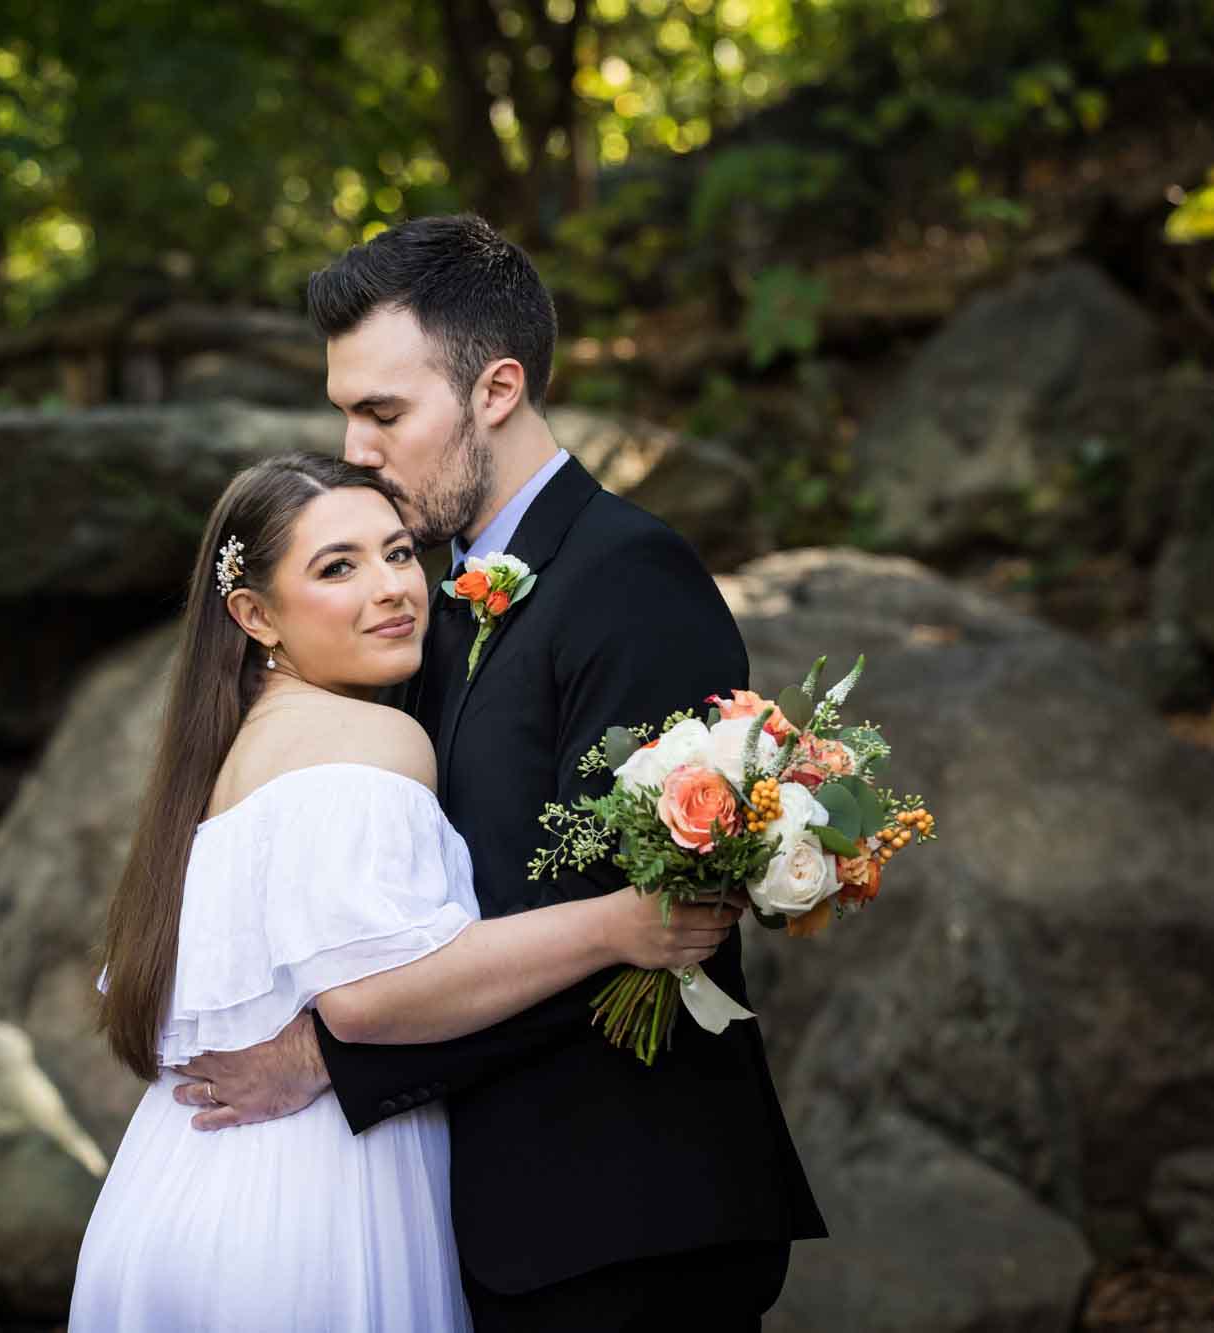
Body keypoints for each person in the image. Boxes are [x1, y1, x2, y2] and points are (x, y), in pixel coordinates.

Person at [168, 215, 826, 1331]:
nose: (356, 447)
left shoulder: (630, 578)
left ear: (496, 388)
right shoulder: (434, 600)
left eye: (382, 411)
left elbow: (639, 922)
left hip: (626, 1218)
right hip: (500, 1219)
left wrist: (332, 1059)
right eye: (344, 412)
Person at [69, 453, 738, 1331]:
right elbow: (368, 996)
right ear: (254, 614)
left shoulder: (219, 761)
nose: (391, 587)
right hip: (310, 1217)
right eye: (337, 567)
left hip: (174, 1197)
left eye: (396, 553)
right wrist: (619, 924)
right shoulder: (372, 737)